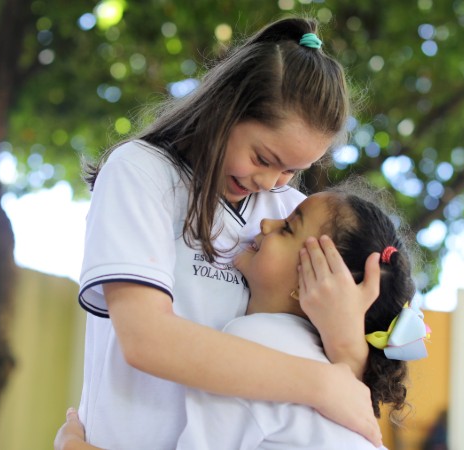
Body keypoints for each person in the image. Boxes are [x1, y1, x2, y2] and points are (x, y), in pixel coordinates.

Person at [74, 16, 383, 449]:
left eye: (293, 171)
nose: (272, 182)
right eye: (263, 157)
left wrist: (347, 348)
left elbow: (342, 393)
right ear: (228, 108)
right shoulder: (141, 173)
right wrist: (321, 384)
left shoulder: (295, 215)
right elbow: (146, 340)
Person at [56, 181, 430, 449]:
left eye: (287, 229)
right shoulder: (314, 354)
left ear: (315, 283)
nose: (266, 224)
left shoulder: (260, 342)